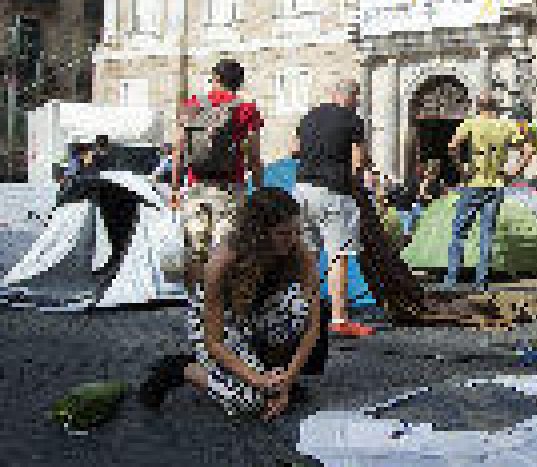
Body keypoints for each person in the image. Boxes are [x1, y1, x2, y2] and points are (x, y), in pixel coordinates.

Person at [138, 187, 324, 421]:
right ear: (260, 233)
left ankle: (270, 374)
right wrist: (257, 380)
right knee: (250, 402)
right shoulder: (222, 261)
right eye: (285, 234)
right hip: (217, 323)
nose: (294, 240)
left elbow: (313, 327)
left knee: (299, 309)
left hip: (255, 314)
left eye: (297, 231)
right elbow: (214, 341)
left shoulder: (300, 254)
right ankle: (182, 369)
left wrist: (285, 379)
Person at [172, 59, 265, 290]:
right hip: (230, 188)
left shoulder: (193, 105)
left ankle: (195, 303)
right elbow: (253, 155)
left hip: (195, 186)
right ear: (240, 83)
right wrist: (259, 189)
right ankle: (219, 306)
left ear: (215, 80)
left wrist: (175, 188)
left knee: (194, 249)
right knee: (224, 250)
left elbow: (178, 150)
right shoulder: (246, 110)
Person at [294, 79, 373, 338]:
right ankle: (339, 318)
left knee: (308, 255)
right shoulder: (352, 120)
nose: (358, 102)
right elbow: (359, 160)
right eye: (357, 98)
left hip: (302, 188)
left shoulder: (309, 117)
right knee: (339, 255)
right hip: (334, 192)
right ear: (350, 97)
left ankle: (302, 313)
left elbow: (294, 150)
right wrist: (351, 180)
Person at [443, 94, 534, 291]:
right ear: (496, 107)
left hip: (474, 182)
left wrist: (461, 168)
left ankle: (451, 280)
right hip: (497, 184)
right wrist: (513, 172)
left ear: (478, 106)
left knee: (459, 231)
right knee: (487, 234)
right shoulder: (507, 126)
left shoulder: (471, 123)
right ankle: (481, 282)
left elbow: (451, 147)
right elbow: (528, 151)